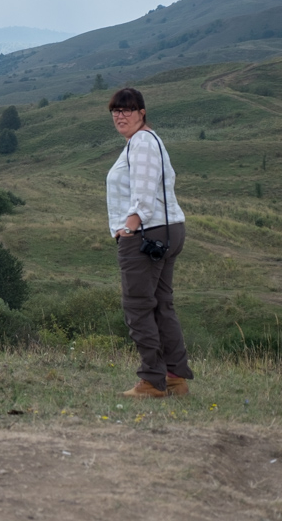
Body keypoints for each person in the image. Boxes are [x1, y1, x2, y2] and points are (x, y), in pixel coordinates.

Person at [106, 87, 193, 398]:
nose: (120, 116)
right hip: (166, 230)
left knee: (139, 306)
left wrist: (128, 228)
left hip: (146, 235)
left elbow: (143, 193)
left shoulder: (142, 142)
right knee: (161, 305)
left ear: (142, 112)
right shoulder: (147, 140)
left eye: (127, 109)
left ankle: (152, 380)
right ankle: (174, 377)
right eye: (116, 110)